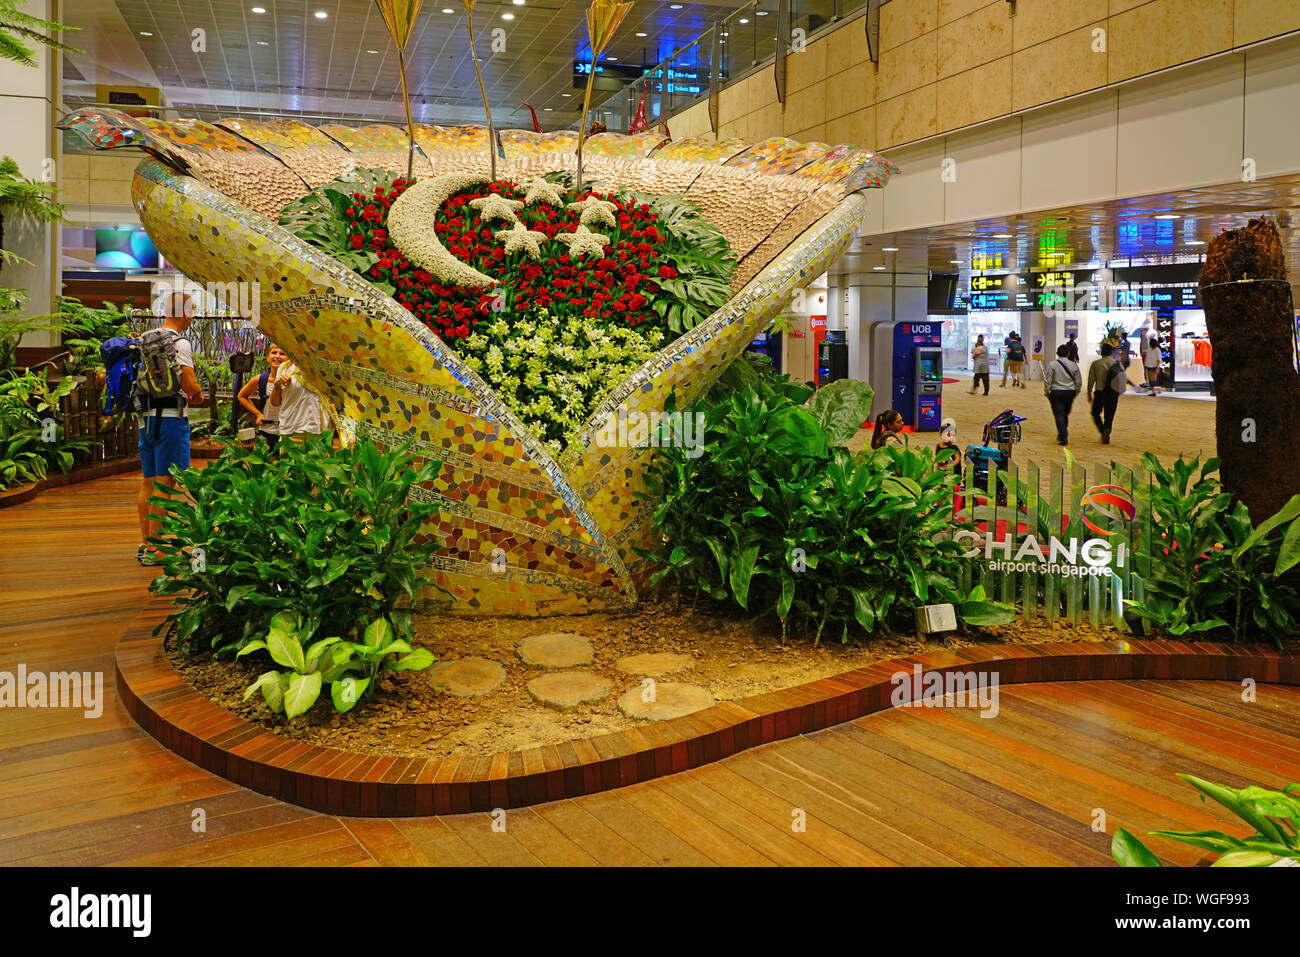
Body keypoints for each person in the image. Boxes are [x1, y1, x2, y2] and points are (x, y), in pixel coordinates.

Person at [137, 291, 205, 565]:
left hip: (146, 418)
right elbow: (189, 385)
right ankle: (156, 550)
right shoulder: (180, 343)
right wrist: (198, 394)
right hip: (171, 419)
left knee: (149, 482)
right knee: (167, 481)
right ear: (186, 312)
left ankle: (145, 544)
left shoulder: (146, 338)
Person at [237, 342, 287, 453]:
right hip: (267, 430)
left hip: (288, 431)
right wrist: (258, 414)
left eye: (282, 354)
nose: (277, 356)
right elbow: (241, 396)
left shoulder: (294, 380)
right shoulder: (261, 379)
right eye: (274, 353)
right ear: (268, 357)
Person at [268, 354, 329, 442]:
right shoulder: (283, 367)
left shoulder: (315, 362)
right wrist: (277, 385)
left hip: (313, 430)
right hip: (287, 429)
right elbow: (275, 403)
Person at [1043, 343, 1082, 446]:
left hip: (1056, 392)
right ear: (1069, 354)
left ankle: (1063, 435)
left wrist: (1047, 391)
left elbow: (1048, 380)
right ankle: (1062, 433)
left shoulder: (1052, 365)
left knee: (1059, 414)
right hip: (1070, 392)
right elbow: (1078, 381)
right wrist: (1076, 392)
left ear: (1057, 353)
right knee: (1065, 413)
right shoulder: (1074, 365)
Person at [1087, 342, 1124, 444]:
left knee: (1095, 413)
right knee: (1109, 415)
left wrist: (1089, 393)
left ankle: (1103, 430)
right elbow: (1121, 379)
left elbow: (1091, 380)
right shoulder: (1117, 364)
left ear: (1101, 352)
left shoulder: (1096, 364)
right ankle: (1107, 431)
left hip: (1100, 392)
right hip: (1113, 393)